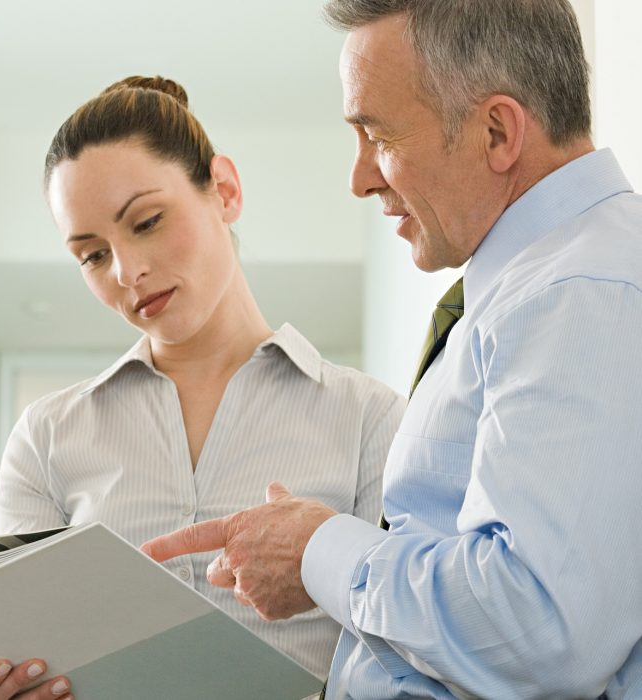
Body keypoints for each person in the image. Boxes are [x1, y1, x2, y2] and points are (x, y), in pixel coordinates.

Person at [142, 1, 642, 698]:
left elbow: (539, 628)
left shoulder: (579, 292)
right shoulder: (543, 289)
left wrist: (317, 551)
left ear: (497, 131)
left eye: (376, 135)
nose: (360, 178)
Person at [0, 75, 404, 699]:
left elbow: (403, 646)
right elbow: (25, 657)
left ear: (224, 190)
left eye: (147, 221)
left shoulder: (369, 419)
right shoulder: (49, 437)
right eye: (91, 255)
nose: (127, 272)